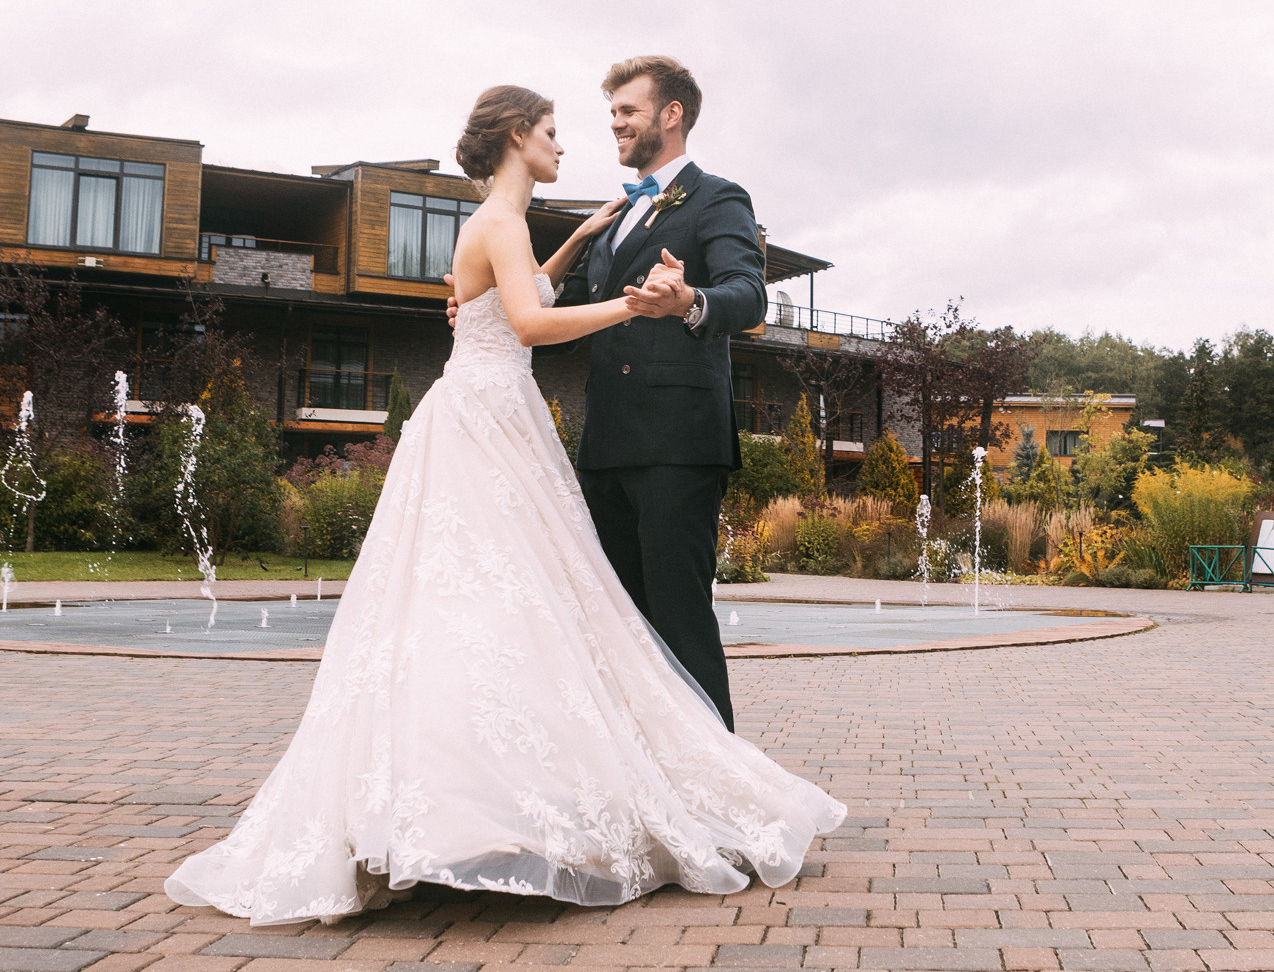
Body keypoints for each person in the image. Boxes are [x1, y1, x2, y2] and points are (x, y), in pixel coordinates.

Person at [164, 84, 842, 924]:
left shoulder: (591, 214)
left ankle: (628, 785)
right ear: (519, 135)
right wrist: (629, 301)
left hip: (564, 426)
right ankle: (511, 807)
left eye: (621, 112)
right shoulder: (504, 222)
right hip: (503, 424)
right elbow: (526, 322)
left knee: (529, 609)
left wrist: (584, 254)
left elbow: (549, 297)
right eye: (555, 130)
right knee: (524, 610)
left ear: (670, 113)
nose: (577, 139)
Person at [549, 56, 763, 729]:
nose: (615, 123)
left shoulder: (718, 198)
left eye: (627, 111)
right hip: (606, 446)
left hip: (677, 444)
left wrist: (690, 300)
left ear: (671, 115)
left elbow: (747, 294)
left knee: (679, 620)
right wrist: (487, 312)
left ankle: (720, 779)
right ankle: (647, 775)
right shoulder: (614, 215)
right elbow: (569, 315)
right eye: (612, 112)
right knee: (620, 629)